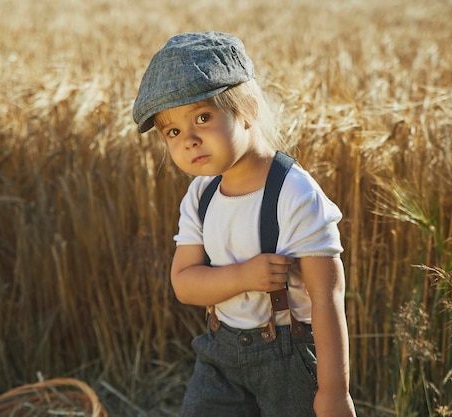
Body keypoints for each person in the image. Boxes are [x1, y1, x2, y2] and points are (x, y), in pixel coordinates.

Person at [133, 31, 356, 417]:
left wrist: (334, 393)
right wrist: (244, 277)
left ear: (248, 108)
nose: (189, 140)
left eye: (203, 118)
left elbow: (327, 296)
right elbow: (185, 283)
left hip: (287, 361)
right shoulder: (201, 196)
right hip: (219, 357)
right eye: (173, 131)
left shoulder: (294, 194)